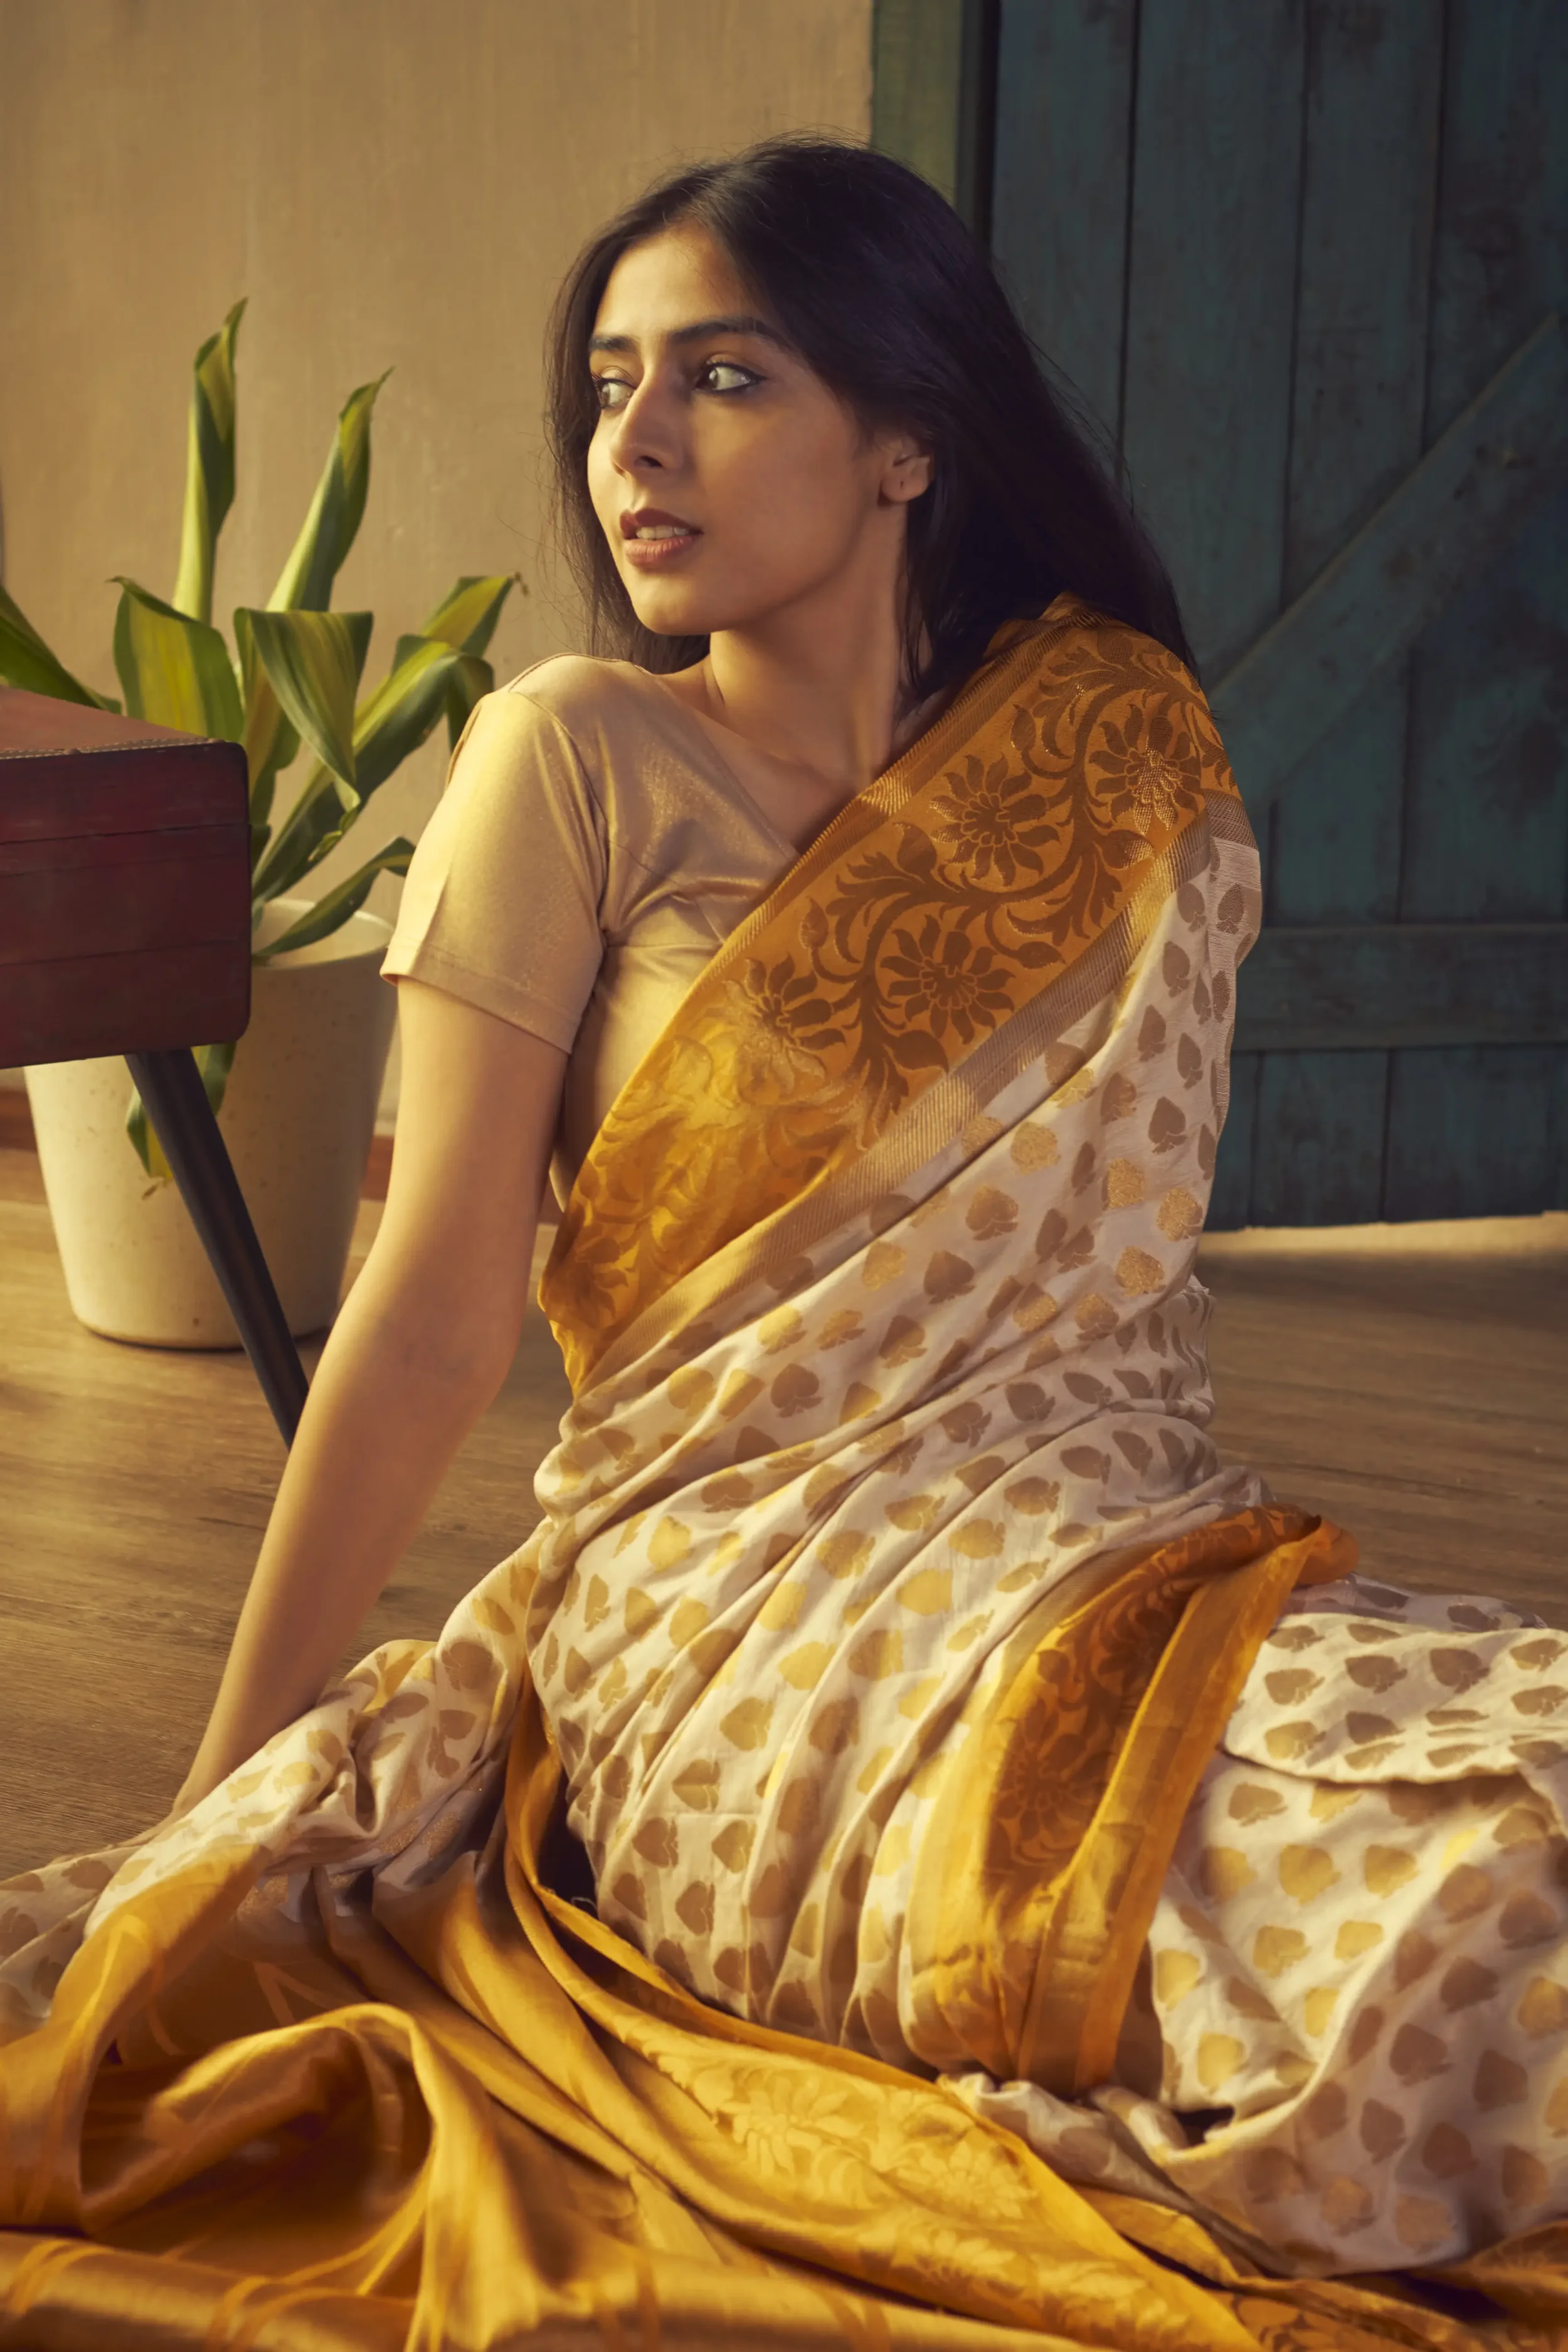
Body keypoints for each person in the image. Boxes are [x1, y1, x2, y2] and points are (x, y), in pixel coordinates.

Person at [1, 137, 1563, 2349]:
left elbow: (1108, 1286)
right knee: (1447, 1916)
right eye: (611, 385)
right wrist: (207, 1815)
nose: (631, 445)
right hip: (745, 1645)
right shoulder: (576, 761)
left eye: (718, 377)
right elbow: (433, 1316)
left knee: (1515, 1789)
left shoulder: (1110, 752)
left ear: (911, 434)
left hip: (1105, 1556)